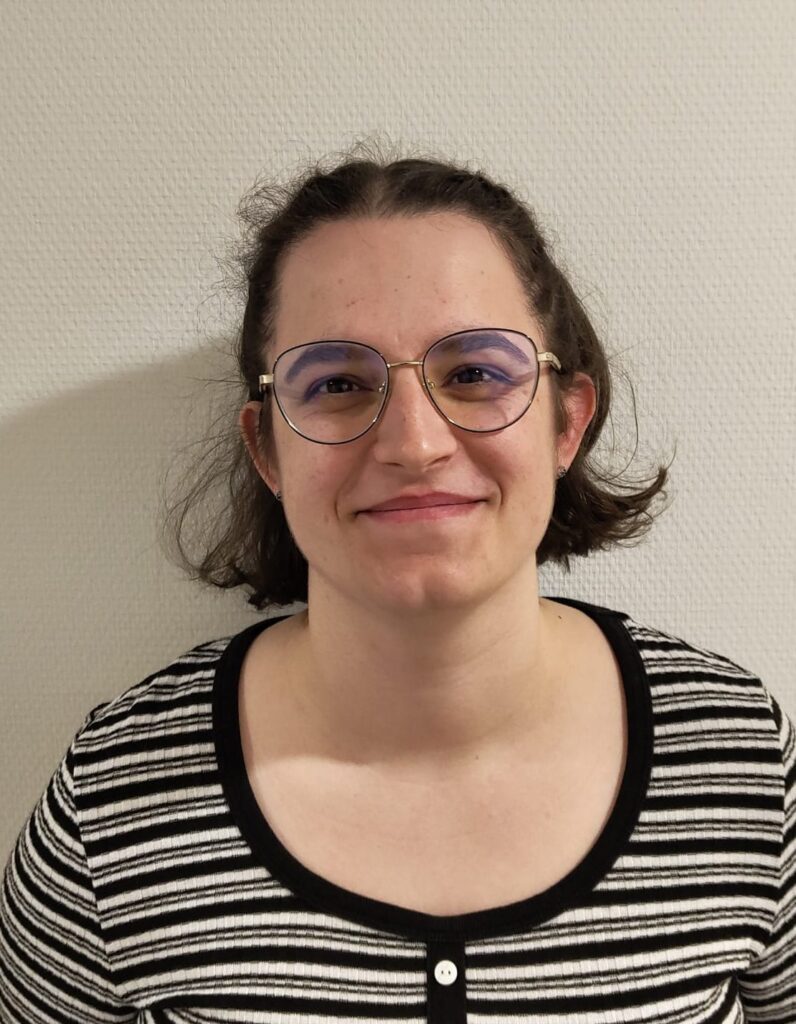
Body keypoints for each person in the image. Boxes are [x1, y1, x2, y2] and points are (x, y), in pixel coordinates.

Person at [1, 142, 793, 1023]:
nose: (415, 444)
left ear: (567, 423)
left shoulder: (739, 758)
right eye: (339, 382)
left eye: (475, 373)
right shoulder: (112, 802)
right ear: (268, 449)